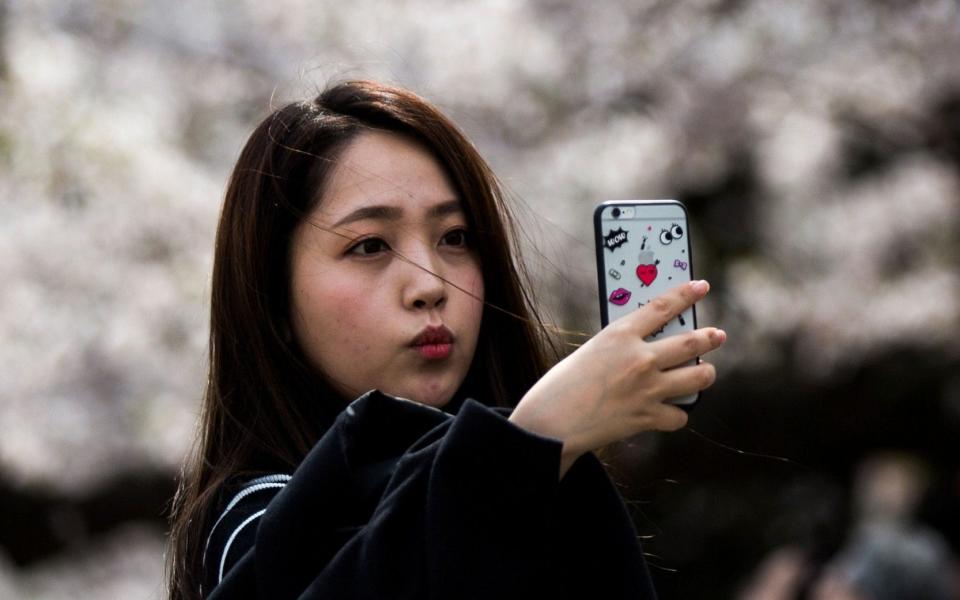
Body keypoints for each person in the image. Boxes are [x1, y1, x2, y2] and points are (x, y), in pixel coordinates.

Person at [165, 79, 726, 600]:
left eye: (456, 237)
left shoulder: (541, 487)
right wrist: (530, 442)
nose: (430, 285)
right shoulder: (256, 524)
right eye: (369, 246)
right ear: (273, 296)